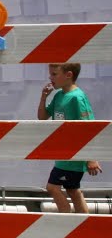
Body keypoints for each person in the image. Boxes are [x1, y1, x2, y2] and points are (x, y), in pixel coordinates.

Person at [37, 62, 101, 213]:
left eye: (54, 74)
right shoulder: (59, 95)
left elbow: (89, 127)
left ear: (68, 75)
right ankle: (83, 225)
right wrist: (43, 98)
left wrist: (91, 157)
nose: (50, 77)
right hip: (64, 154)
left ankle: (67, 221)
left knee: (52, 187)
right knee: (73, 191)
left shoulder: (77, 98)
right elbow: (42, 117)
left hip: (74, 155)